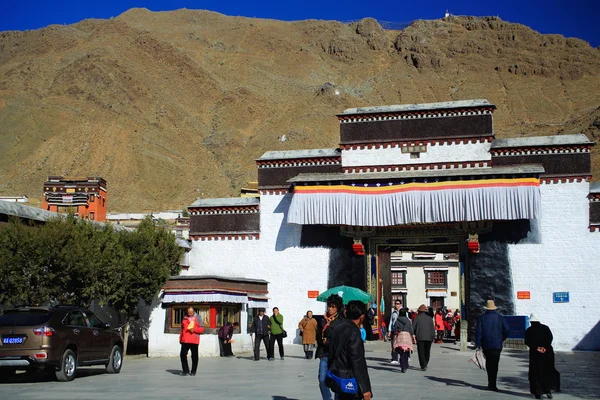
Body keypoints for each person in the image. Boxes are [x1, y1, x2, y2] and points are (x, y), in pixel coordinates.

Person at [327, 300, 372, 400]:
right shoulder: (354, 332)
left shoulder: (337, 328)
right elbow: (357, 361)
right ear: (362, 317)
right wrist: (365, 389)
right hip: (350, 380)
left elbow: (331, 352)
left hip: (337, 377)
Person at [475, 299, 511, 392]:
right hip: (497, 345)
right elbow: (507, 329)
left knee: (488, 363)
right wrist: (502, 337)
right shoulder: (500, 317)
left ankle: (490, 383)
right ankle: (493, 384)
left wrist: (478, 344)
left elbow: (478, 332)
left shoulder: (481, 318)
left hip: (486, 344)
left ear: (486, 308)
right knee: (495, 364)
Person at [525, 315, 560, 399]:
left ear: (531, 322)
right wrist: (544, 347)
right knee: (547, 371)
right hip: (547, 353)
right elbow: (550, 338)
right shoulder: (545, 328)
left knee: (536, 373)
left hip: (535, 353)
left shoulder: (529, 330)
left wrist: (537, 347)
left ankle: (538, 392)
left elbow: (527, 342)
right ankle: (548, 390)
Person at [316, 294, 344, 400]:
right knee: (322, 380)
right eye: (329, 306)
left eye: (333, 307)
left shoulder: (341, 321)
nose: (330, 309)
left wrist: (328, 341)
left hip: (336, 356)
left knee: (337, 381)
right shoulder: (323, 320)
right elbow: (318, 335)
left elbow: (341, 339)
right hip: (325, 355)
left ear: (337, 308)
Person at [179, 306, 204, 376]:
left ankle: (193, 371)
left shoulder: (198, 317)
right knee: (182, 355)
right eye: (188, 312)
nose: (190, 314)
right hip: (185, 340)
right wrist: (180, 338)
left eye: (191, 312)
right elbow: (182, 329)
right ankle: (185, 370)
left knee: (194, 356)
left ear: (194, 311)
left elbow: (202, 328)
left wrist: (195, 330)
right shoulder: (184, 318)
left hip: (194, 339)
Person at [412, 304, 435, 371]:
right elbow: (432, 328)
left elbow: (413, 328)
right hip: (429, 337)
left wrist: (413, 335)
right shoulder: (430, 318)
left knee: (421, 352)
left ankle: (423, 365)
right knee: (427, 351)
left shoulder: (417, 318)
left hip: (420, 337)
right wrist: (433, 337)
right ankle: (426, 362)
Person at [387, 300, 402, 364]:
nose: (396, 305)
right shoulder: (394, 313)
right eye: (395, 304)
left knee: (401, 345)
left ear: (400, 304)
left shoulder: (403, 312)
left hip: (401, 331)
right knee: (393, 344)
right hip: (394, 331)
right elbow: (391, 322)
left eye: (398, 304)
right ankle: (394, 358)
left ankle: (403, 357)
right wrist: (389, 330)